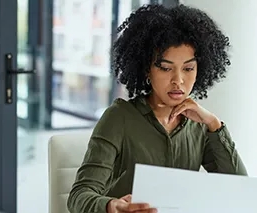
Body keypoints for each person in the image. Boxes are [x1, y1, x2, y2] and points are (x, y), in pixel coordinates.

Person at [67, 4, 247, 213]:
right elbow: (79, 196)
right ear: (146, 69)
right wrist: (110, 206)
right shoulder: (119, 118)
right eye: (165, 68)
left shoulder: (200, 125)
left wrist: (214, 125)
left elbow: (240, 191)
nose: (178, 80)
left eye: (188, 68)